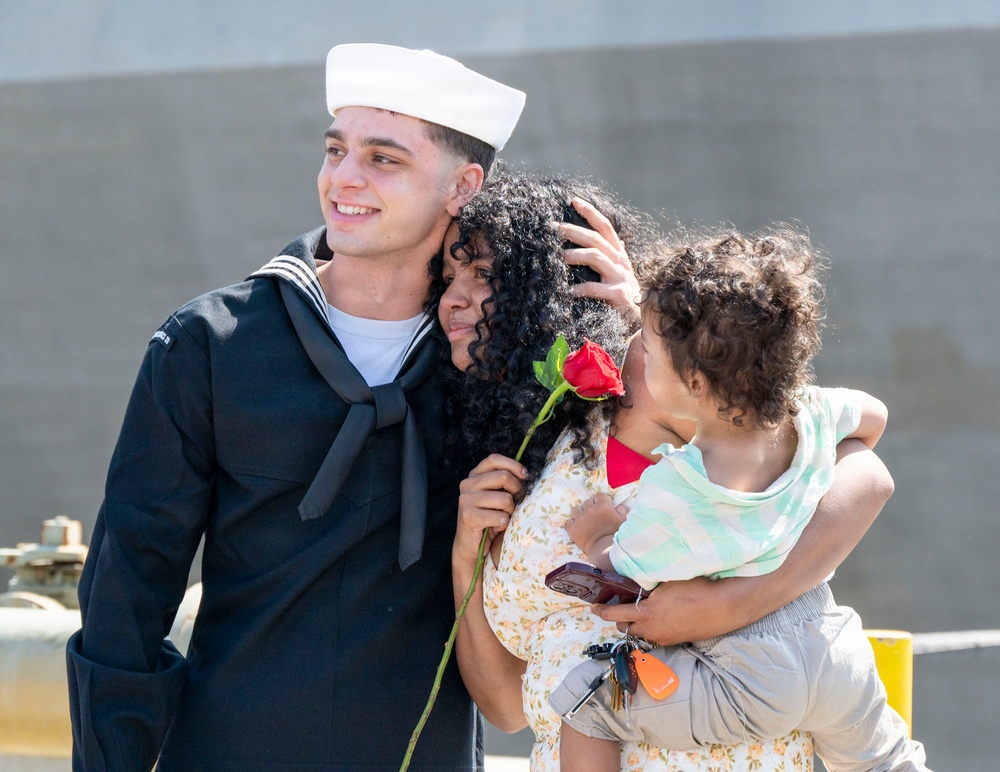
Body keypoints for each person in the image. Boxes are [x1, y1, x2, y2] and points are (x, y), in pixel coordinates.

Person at [65, 43, 525, 771]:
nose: (343, 178)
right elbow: (129, 587)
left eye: (383, 159)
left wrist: (629, 314)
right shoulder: (209, 345)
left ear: (462, 186)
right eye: (335, 149)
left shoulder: (497, 365)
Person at [446, 173, 897, 770]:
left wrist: (736, 603)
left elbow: (864, 473)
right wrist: (464, 553)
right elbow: (507, 709)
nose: (453, 297)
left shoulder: (658, 388)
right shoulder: (508, 453)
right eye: (448, 278)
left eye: (484, 277)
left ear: (550, 286)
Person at [554, 228, 929, 771]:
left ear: (696, 384)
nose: (640, 356)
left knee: (587, 706)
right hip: (833, 648)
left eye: (650, 352)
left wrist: (596, 537)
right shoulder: (808, 415)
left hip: (748, 676)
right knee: (888, 760)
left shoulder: (677, 487)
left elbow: (627, 582)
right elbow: (874, 418)